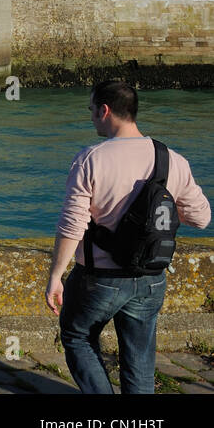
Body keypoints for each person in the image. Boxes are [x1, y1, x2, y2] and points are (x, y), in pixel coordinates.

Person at [45, 80, 210, 394]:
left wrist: (56, 276)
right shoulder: (172, 159)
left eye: (92, 110)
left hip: (99, 277)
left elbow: (72, 224)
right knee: (139, 357)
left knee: (77, 336)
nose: (91, 117)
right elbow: (201, 218)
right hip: (151, 277)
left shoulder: (91, 159)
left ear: (105, 111)